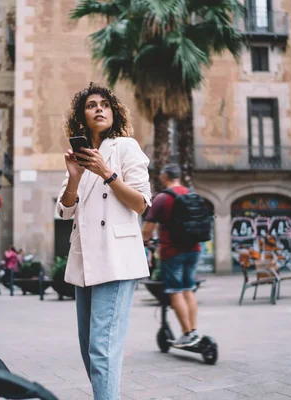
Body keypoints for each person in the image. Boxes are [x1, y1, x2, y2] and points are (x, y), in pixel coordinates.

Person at [55, 82, 151, 400]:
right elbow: (65, 211)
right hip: (85, 260)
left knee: (102, 349)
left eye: (105, 104)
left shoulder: (125, 147)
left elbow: (141, 203)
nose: (99, 108)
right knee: (89, 349)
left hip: (116, 257)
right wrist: (74, 176)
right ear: (82, 117)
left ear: (114, 113)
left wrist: (108, 173)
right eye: (91, 105)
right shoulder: (79, 159)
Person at [141, 164, 202, 348]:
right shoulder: (192, 194)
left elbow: (147, 230)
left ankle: (187, 334)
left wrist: (146, 241)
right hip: (194, 249)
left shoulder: (162, 198)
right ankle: (194, 331)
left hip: (172, 251)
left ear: (164, 176)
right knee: (188, 290)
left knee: (175, 292)